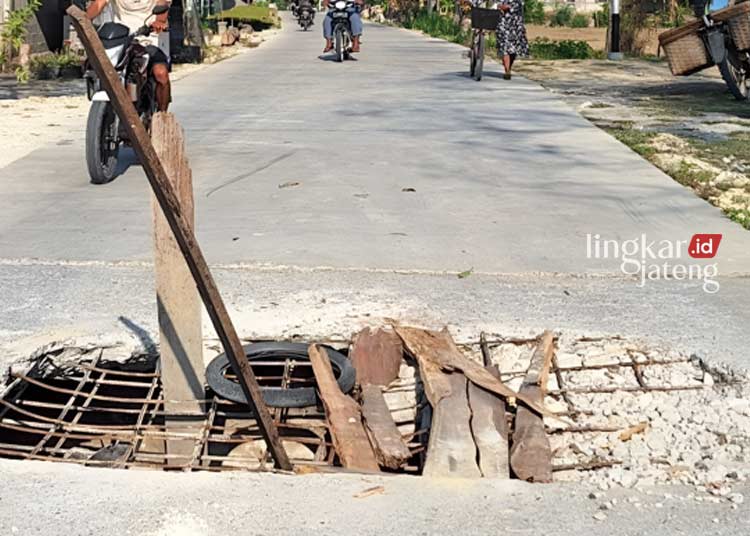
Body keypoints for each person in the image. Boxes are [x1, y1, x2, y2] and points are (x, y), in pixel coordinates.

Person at [86, 0, 172, 111]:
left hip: (147, 39)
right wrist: (84, 20)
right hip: (121, 39)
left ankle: (162, 115)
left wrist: (159, 22)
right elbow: (99, 4)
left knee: (161, 74)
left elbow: (162, 5)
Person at [495, 0, 528, 80]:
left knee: (514, 49)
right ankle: (507, 71)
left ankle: (509, 67)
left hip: (516, 24)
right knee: (504, 46)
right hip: (502, 23)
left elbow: (519, 6)